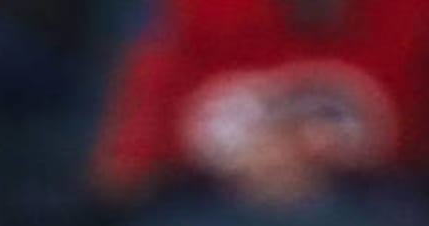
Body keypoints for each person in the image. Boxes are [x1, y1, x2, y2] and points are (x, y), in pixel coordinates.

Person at [91, 0, 429, 210]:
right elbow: (122, 180)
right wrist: (246, 167)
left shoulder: (415, 18)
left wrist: (322, 169)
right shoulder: (189, 13)